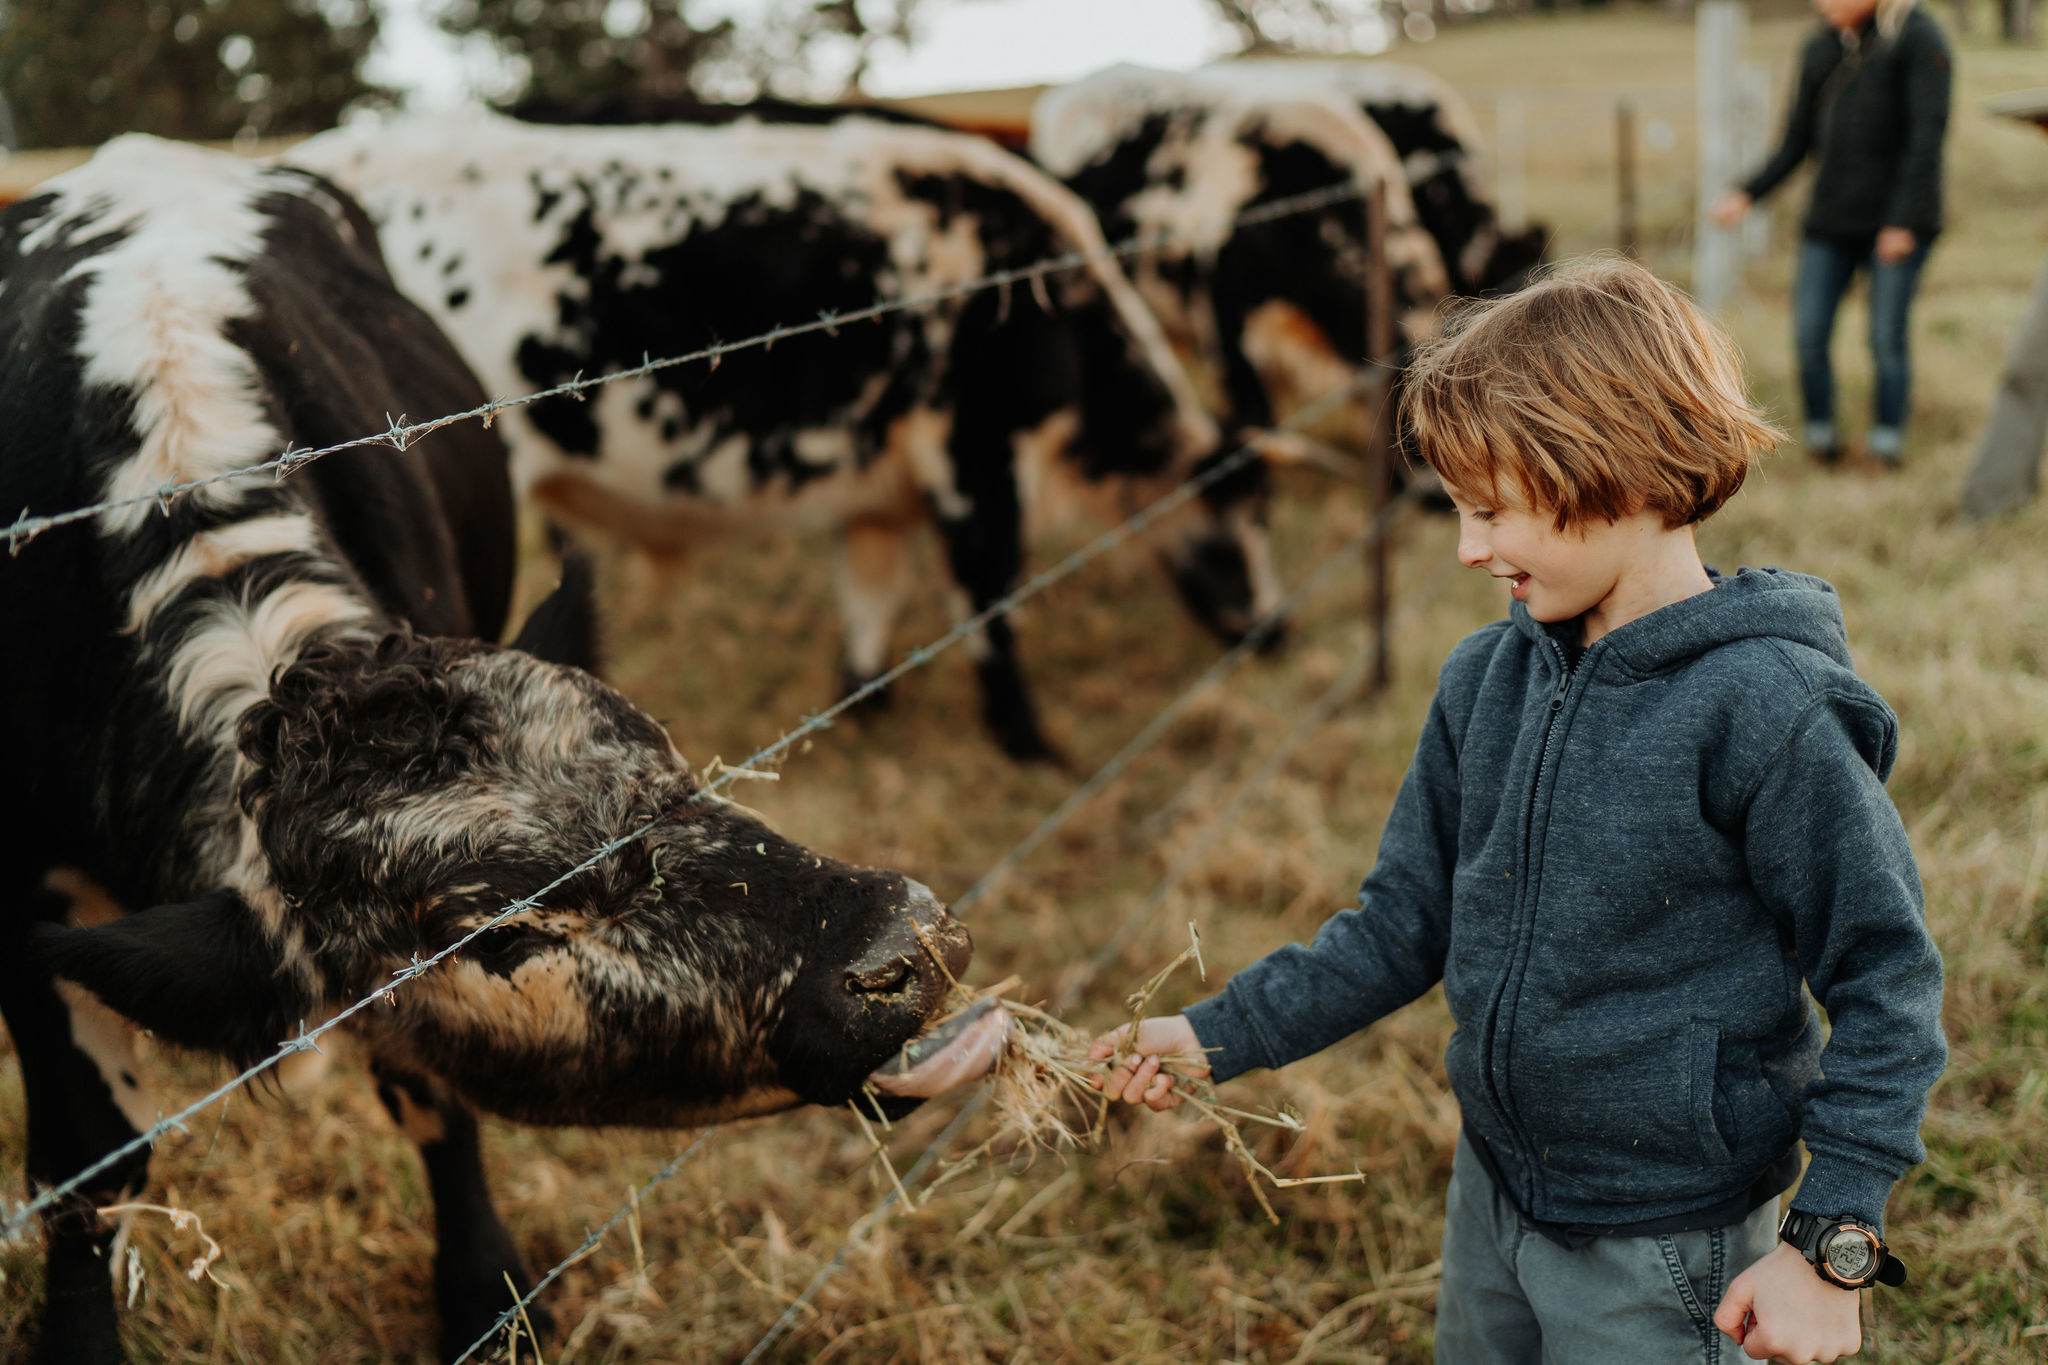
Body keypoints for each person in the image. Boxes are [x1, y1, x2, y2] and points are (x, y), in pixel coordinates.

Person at [1089, 257, 1947, 1364]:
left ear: (1616, 471)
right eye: (1459, 510)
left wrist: (1830, 1241)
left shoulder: (1767, 711)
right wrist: (1216, 1034)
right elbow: (1402, 924)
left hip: (1666, 1241)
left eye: (1491, 511)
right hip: (1492, 1193)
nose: (1467, 548)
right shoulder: (1483, 681)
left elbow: (1885, 976)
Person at [1710, 0, 1952, 468]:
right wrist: (1748, 193)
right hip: (1830, 220)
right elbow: (1796, 141)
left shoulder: (1918, 38)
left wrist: (1903, 222)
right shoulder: (1820, 48)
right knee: (1809, 333)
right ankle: (1821, 438)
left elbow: (1927, 139)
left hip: (1895, 224)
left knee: (1885, 337)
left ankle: (1886, 443)